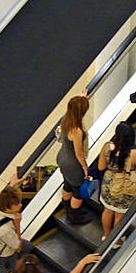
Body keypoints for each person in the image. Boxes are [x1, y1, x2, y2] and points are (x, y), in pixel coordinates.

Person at [57, 95, 92, 224]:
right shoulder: (77, 130)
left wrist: (82, 99)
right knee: (78, 191)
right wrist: (85, 167)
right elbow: (79, 153)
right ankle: (74, 216)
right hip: (73, 164)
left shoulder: (65, 119)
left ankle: (66, 207)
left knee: (67, 184)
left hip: (62, 157)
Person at [0, 185, 34, 273]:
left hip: (8, 243)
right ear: (7, 208)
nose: (20, 205)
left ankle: (19, 268)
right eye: (17, 204)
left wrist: (14, 184)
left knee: (27, 246)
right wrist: (17, 224)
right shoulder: (4, 229)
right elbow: (18, 247)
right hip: (6, 255)